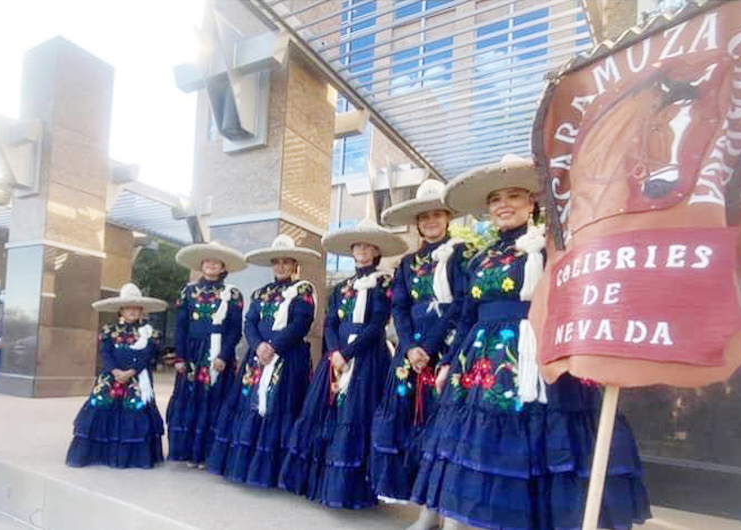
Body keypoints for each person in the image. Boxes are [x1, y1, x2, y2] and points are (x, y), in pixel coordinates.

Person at [410, 155, 651, 530]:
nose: (503, 205)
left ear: (532, 201)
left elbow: (575, 298)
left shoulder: (555, 245)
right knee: (477, 445)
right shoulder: (481, 256)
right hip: (481, 363)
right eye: (495, 199)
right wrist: (449, 363)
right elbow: (468, 314)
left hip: (540, 355)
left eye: (514, 196)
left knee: (541, 446)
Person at [279, 219, 407, 509]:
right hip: (336, 357)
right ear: (352, 251)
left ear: (376, 251)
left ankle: (353, 490)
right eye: (357, 245)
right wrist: (335, 351)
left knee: (356, 416)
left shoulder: (385, 282)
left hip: (368, 357)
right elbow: (330, 323)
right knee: (328, 413)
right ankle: (322, 482)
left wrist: (348, 353)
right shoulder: (340, 287)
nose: (362, 250)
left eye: (368, 246)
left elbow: (377, 323)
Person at [370, 180, 471, 528]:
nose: (430, 220)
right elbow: (399, 306)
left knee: (444, 429)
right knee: (411, 428)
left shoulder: (462, 254)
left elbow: (461, 304)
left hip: (447, 351)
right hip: (409, 354)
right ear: (417, 221)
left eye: (436, 214)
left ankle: (449, 514)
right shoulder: (407, 263)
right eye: (424, 215)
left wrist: (428, 348)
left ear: (447, 217)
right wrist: (410, 345)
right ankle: (426, 511)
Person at [207, 235, 320, 487]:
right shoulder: (260, 293)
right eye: (276, 262)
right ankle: (247, 467)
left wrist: (274, 347)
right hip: (257, 357)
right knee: (251, 405)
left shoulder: (304, 290)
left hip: (288, 359)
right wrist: (258, 346)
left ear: (294, 265)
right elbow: (250, 322)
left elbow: (301, 323)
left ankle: (276, 472)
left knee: (280, 406)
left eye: (286, 262)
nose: (280, 266)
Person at [66, 283, 166, 468]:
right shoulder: (108, 330)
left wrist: (131, 371)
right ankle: (97, 454)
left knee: (135, 411)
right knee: (100, 408)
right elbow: (105, 353)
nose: (132, 311)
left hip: (137, 379)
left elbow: (148, 355)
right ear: (121, 309)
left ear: (142, 310)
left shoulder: (150, 332)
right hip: (110, 378)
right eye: (128, 307)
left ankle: (134, 457)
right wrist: (115, 371)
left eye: (136, 307)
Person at [166, 241, 246, 467]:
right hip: (192, 353)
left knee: (215, 401)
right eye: (207, 260)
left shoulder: (233, 294)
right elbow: (180, 327)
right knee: (190, 399)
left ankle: (208, 454)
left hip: (218, 354)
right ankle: (187, 452)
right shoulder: (187, 291)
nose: (211, 264)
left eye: (216, 261)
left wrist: (224, 356)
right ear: (202, 264)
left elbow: (234, 330)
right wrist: (180, 357)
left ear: (223, 267)